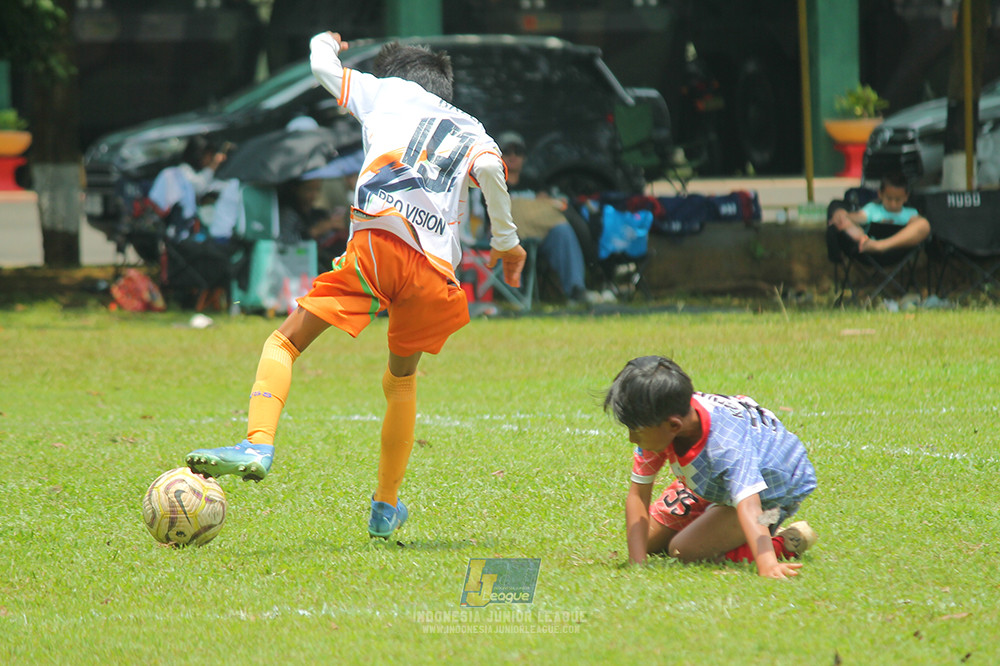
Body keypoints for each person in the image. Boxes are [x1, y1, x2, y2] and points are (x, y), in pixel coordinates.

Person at [185, 31, 526, 539]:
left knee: (283, 341)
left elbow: (323, 69)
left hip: (379, 244)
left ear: (395, 77)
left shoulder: (384, 91)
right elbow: (492, 171)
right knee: (401, 382)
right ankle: (385, 507)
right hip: (435, 272)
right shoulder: (471, 127)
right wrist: (507, 240)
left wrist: (324, 41)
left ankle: (257, 444)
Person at [604, 356, 818, 579]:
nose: (631, 438)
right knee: (646, 539)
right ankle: (716, 514)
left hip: (772, 498)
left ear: (673, 426)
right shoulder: (661, 415)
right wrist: (637, 565)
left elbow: (750, 506)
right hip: (716, 481)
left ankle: (782, 541)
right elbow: (638, 495)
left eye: (636, 431)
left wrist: (768, 566)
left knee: (684, 550)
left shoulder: (725, 446)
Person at [494, 131, 604, 305]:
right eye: (507, 151)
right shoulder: (492, 183)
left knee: (561, 229)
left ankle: (576, 289)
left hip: (536, 234)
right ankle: (513, 294)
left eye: (518, 151)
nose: (513, 156)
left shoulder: (534, 183)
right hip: (506, 235)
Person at [828, 171, 931, 254]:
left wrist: (879, 245)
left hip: (899, 249)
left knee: (924, 224)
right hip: (867, 246)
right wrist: (843, 215)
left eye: (898, 200)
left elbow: (920, 228)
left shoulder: (910, 213)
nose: (893, 204)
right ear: (880, 194)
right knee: (843, 220)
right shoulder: (873, 209)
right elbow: (859, 217)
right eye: (889, 199)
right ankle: (871, 243)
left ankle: (880, 246)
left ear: (906, 197)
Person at [277, 177, 351, 270]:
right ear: (296, 189)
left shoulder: (318, 214)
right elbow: (284, 242)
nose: (314, 195)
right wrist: (314, 231)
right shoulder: (288, 214)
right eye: (309, 189)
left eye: (317, 189)